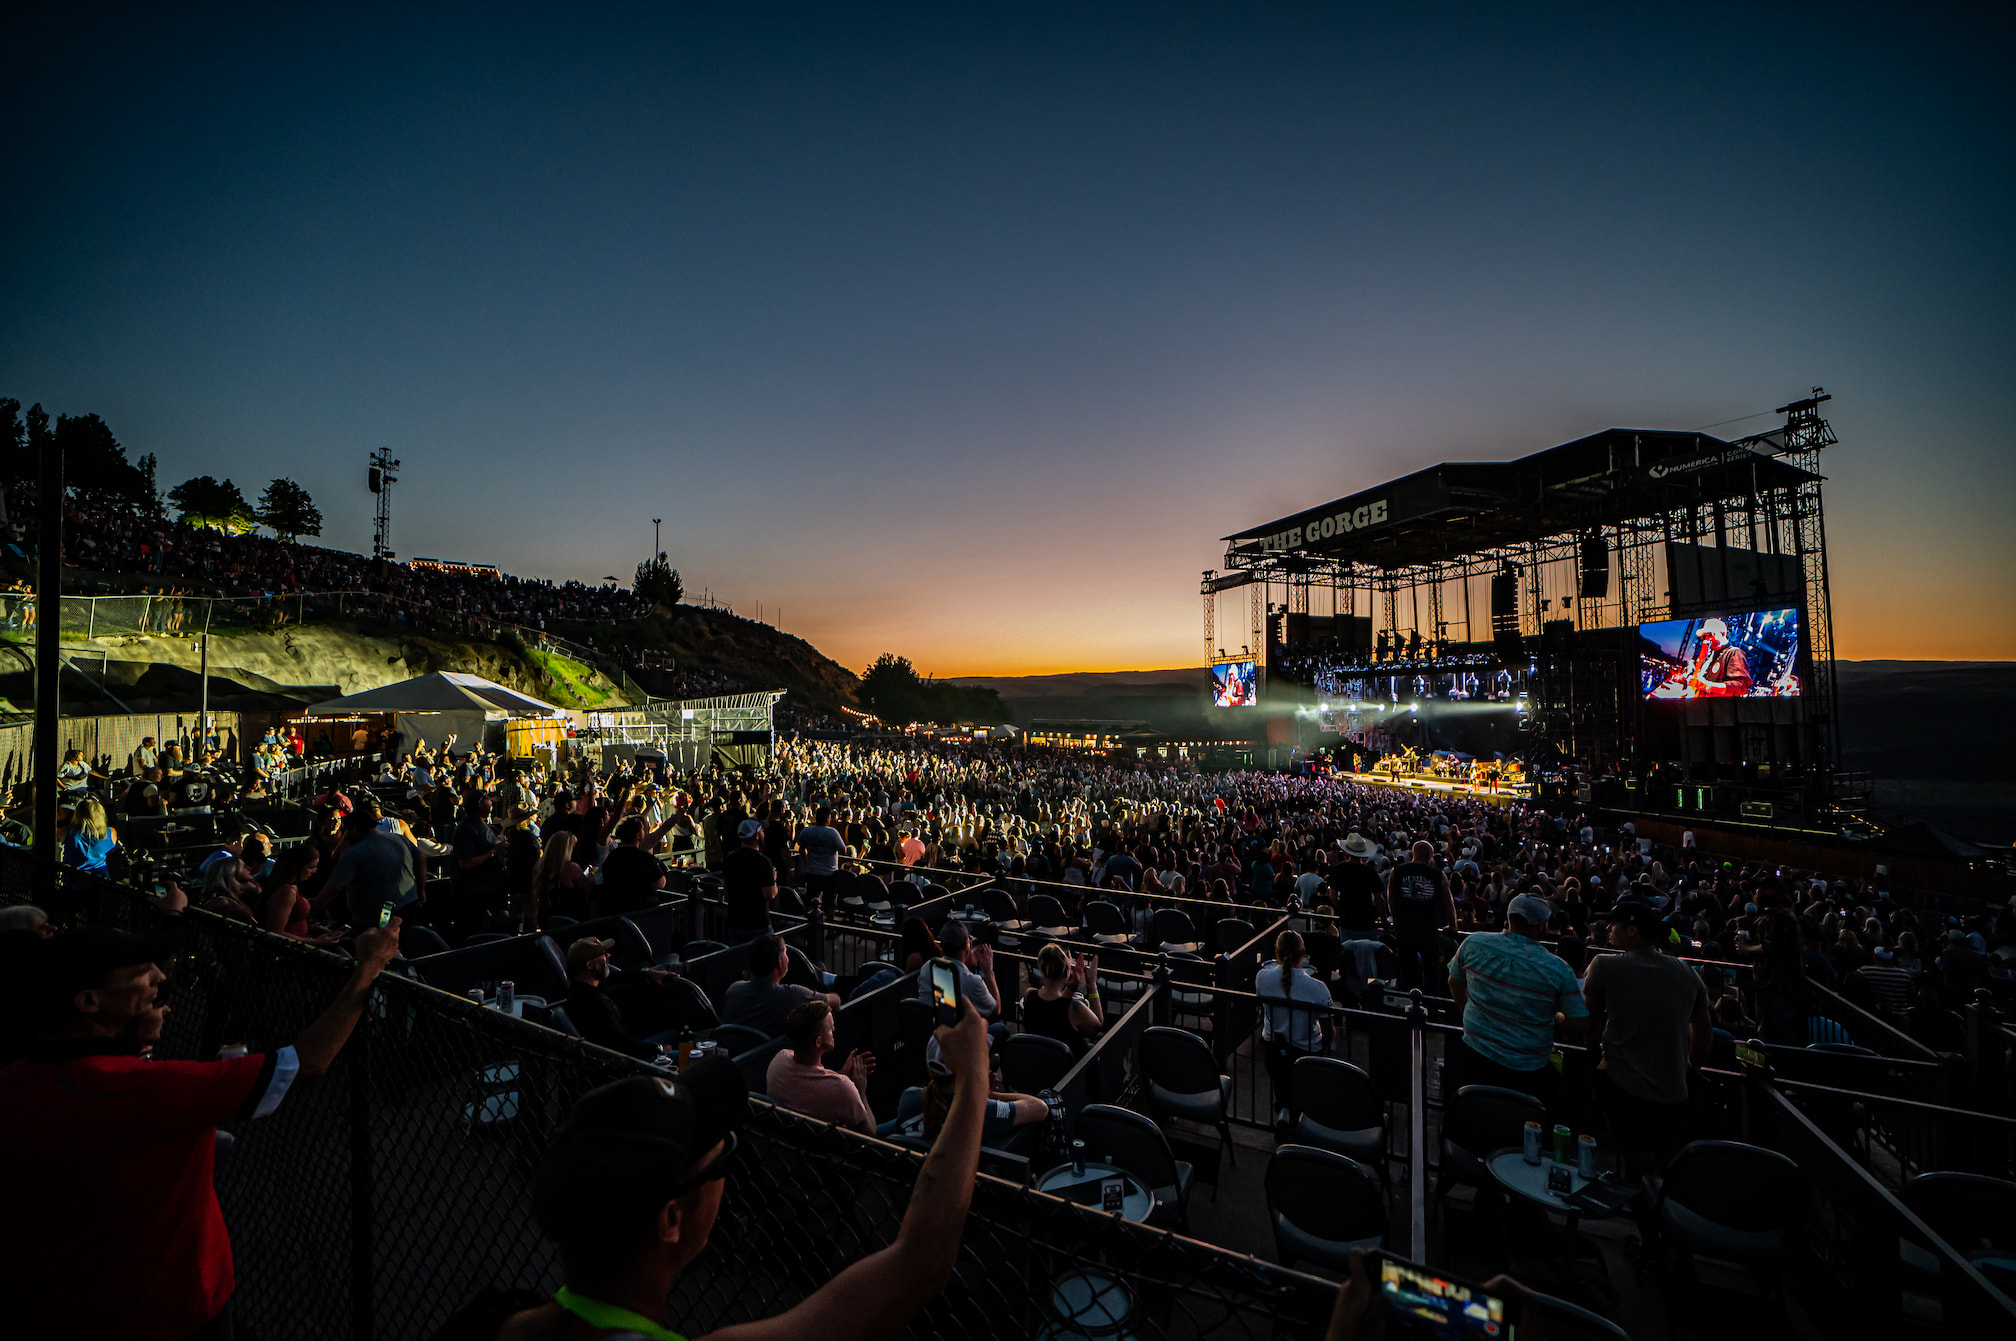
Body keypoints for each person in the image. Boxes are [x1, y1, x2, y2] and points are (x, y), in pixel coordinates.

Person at [454, 1001, 990, 1341]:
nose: (726, 1165)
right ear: (670, 1220)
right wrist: (973, 1080)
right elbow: (919, 1263)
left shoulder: (492, 1319)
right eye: (716, 1151)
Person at [1, 917, 401, 1339]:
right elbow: (304, 1064)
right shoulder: (138, 1089)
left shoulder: (17, 1080)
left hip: (72, 1302)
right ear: (89, 1002)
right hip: (175, 1307)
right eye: (141, 971)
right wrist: (367, 969)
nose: (159, 976)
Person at [1581, 898, 1710, 1172]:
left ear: (1632, 931)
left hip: (1622, 1082)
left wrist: (1594, 1055)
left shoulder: (1604, 965)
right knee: (1659, 1159)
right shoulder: (1688, 973)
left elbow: (1589, 1022)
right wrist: (1689, 1066)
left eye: (1614, 924)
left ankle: (1643, 1206)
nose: (1609, 929)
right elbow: (1703, 1031)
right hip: (1674, 1089)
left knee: (1636, 1161)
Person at [1445, 893, 1588, 1109]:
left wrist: (1467, 1012)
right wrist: (1557, 1016)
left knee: (1475, 1114)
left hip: (1474, 1053)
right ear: (1542, 926)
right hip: (1527, 1068)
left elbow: (1454, 982)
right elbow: (1579, 1023)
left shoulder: (1474, 943)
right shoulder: (1558, 969)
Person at [1255, 929, 1332, 1126]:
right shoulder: (1319, 988)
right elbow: (1328, 1031)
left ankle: (1285, 1110)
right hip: (1307, 1050)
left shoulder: (1262, 978)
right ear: (1303, 953)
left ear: (1276, 951)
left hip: (1274, 1048)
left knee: (1281, 1076)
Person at [765, 998, 875, 1133]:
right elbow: (870, 1134)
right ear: (818, 1042)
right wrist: (860, 1090)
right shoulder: (843, 1088)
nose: (834, 1029)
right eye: (830, 1029)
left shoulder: (779, 1060)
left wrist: (840, 1074)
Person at [563, 937, 672, 1061]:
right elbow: (623, 1041)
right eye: (602, 954)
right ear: (589, 964)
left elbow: (616, 976)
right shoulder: (594, 1002)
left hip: (629, 1050)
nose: (608, 955)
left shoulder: (581, 987)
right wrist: (659, 1048)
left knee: (676, 1033)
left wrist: (648, 973)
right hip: (631, 1060)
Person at [320, 806, 427, 930]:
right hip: (408, 904)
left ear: (353, 829)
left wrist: (311, 913)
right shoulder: (399, 839)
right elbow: (421, 858)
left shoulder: (354, 853)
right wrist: (421, 889)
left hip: (377, 916)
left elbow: (334, 887)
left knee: (381, 941)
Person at [914, 920, 1000, 1062]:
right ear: (967, 946)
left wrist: (966, 961)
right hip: (960, 1045)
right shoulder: (973, 981)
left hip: (931, 1039)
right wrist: (989, 972)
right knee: (1001, 1030)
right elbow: (996, 1010)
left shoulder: (927, 967)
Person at [721, 933, 837, 1037]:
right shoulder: (791, 995)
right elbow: (835, 1001)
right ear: (780, 962)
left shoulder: (733, 990)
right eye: (786, 953)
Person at [1386, 840, 1457, 991]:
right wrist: (1453, 924)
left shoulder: (1397, 871)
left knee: (1407, 967)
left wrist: (1396, 918)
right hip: (1428, 928)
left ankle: (1408, 1003)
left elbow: (1391, 898)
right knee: (1431, 968)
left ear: (1412, 854)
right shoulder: (1438, 874)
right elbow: (1448, 901)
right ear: (1430, 855)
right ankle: (1431, 1005)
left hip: (1404, 927)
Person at [1020, 943, 1102, 1057]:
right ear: (1066, 972)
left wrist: (1073, 985)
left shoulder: (1029, 995)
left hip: (1038, 1063)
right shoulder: (1074, 1009)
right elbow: (1097, 1026)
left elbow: (1053, 1008)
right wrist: (1092, 986)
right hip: (1069, 1070)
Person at [596, 815, 669, 916]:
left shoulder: (612, 856)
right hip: (643, 912)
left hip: (617, 912)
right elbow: (660, 883)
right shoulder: (645, 857)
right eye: (643, 829)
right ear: (638, 835)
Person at [722, 818, 778, 941]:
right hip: (758, 922)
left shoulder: (729, 859)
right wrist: (773, 879)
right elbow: (770, 895)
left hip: (735, 920)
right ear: (757, 835)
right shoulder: (763, 862)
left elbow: (726, 892)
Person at [794, 805, 846, 907]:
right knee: (830, 903)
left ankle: (809, 920)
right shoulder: (832, 833)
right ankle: (829, 921)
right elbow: (843, 850)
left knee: (810, 899)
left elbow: (801, 848)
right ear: (827, 818)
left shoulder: (806, 831)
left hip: (812, 872)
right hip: (829, 874)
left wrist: (807, 861)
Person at [61, 795, 120, 874]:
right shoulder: (112, 833)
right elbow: (110, 853)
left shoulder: (67, 832)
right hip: (100, 878)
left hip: (74, 879)